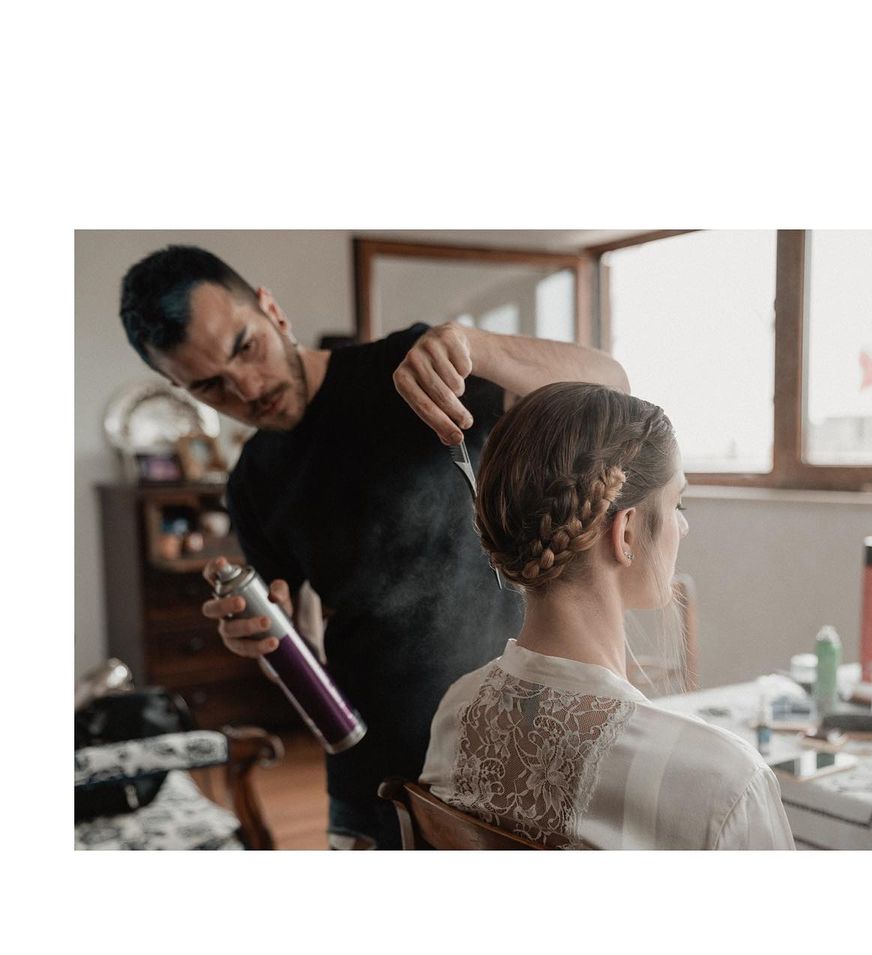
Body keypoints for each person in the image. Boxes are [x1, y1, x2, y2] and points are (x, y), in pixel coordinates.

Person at [118, 245, 628, 849]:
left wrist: (478, 345)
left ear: (271, 310)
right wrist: (262, 640)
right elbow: (295, 628)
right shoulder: (252, 481)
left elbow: (613, 389)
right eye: (210, 386)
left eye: (245, 347)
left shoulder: (416, 368)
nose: (248, 388)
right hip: (371, 771)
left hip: (511, 743)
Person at [421, 382, 795, 849]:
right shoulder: (727, 785)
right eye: (677, 503)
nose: (683, 526)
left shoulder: (457, 714)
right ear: (627, 533)